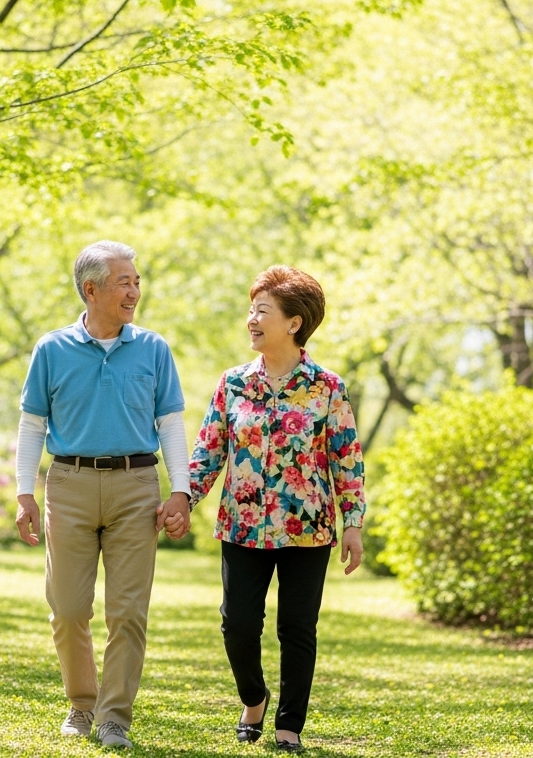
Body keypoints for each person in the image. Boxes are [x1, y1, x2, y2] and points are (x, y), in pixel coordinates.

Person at [14, 241, 192, 750]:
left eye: (136, 282)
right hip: (68, 484)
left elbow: (170, 423)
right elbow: (32, 424)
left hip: (136, 486)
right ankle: (81, 703)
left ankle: (114, 717)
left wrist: (180, 490)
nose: (134, 292)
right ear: (91, 290)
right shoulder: (52, 350)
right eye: (123, 283)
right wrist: (25, 493)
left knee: (128, 611)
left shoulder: (153, 348)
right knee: (68, 609)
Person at [184, 265, 366, 754]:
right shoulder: (233, 383)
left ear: (294, 322)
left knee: (297, 629)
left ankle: (289, 726)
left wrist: (353, 524)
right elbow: (208, 450)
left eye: (262, 310)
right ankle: (254, 698)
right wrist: (184, 498)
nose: (251, 319)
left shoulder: (327, 387)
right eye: (251, 309)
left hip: (308, 527)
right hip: (242, 525)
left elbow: (346, 459)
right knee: (238, 623)